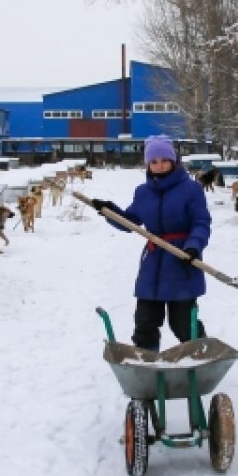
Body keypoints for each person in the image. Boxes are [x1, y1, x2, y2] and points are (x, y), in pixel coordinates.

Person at [89, 135, 212, 352]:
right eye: (154, 161)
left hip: (182, 260)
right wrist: (108, 210)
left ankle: (200, 354)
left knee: (182, 322)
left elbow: (201, 222)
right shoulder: (143, 192)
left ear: (174, 161)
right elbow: (130, 222)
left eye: (164, 160)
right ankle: (146, 360)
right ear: (147, 164)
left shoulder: (191, 189)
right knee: (145, 320)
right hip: (153, 263)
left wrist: (193, 246)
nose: (160, 165)